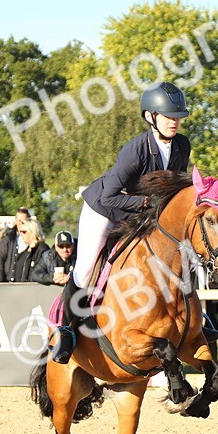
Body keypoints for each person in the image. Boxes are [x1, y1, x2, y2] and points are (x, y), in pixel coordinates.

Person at [51, 81, 194, 364]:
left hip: (142, 214)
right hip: (103, 210)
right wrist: (147, 205)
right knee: (85, 267)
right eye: (168, 117)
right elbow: (109, 197)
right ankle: (66, 330)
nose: (174, 122)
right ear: (150, 117)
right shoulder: (135, 150)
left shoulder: (182, 146)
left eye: (178, 117)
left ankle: (196, 319)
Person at [0, 208, 32, 283]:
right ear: (16, 221)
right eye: (19, 221)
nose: (21, 223)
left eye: (24, 221)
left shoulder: (33, 240)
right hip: (9, 282)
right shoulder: (8, 239)